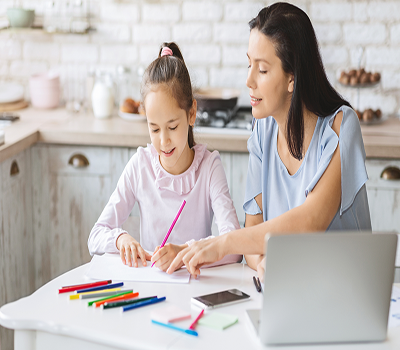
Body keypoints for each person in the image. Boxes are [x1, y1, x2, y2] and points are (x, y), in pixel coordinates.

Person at [167, 2, 371, 279]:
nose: (248, 80)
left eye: (262, 70)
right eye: (249, 64)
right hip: (290, 290)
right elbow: (254, 229)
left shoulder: (340, 127)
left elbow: (311, 221)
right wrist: (261, 262)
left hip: (348, 289)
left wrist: (222, 242)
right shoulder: (263, 129)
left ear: (292, 77)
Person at [88, 42, 242, 271]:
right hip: (150, 290)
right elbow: (96, 236)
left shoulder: (209, 168)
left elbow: (235, 247)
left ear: (191, 114)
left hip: (195, 291)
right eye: (154, 129)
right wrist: (121, 240)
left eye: (172, 127)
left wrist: (183, 252)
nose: (163, 141)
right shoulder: (140, 166)